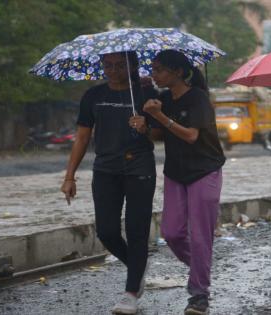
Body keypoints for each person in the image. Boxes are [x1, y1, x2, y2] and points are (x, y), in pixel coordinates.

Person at [61, 51, 157, 315]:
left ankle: (130, 293)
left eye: (119, 65)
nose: (113, 70)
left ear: (133, 66)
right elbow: (81, 138)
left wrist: (146, 127)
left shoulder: (146, 95)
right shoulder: (93, 95)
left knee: (137, 232)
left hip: (139, 169)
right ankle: (137, 267)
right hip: (105, 170)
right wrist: (70, 176)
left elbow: (163, 133)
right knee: (107, 231)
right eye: (108, 65)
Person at [131, 49, 225, 315]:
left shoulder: (198, 99)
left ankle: (199, 295)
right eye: (153, 69)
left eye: (159, 69)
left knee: (200, 235)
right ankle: (201, 267)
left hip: (205, 170)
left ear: (178, 72)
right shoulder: (162, 99)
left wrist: (160, 117)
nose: (154, 74)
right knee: (171, 232)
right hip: (176, 172)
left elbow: (192, 135)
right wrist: (145, 128)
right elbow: (160, 135)